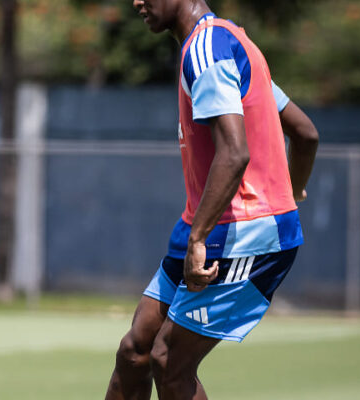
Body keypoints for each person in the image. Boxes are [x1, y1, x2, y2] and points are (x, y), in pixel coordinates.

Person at [106, 1, 319, 399]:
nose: (137, 1)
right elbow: (305, 134)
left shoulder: (209, 48)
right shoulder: (231, 42)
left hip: (240, 231)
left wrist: (198, 240)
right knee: (136, 350)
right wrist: (291, 190)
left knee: (169, 361)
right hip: (208, 224)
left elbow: (235, 153)